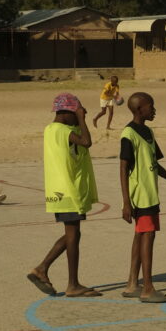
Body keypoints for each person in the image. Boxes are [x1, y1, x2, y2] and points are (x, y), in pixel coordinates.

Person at [120, 92, 166, 303]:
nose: (154, 110)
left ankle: (132, 284)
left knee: (140, 236)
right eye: (150, 106)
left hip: (150, 193)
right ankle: (148, 288)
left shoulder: (149, 132)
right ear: (139, 109)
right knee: (148, 236)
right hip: (141, 195)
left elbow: (154, 165)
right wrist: (126, 202)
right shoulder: (128, 134)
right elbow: (123, 168)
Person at [27, 93, 101, 298]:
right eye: (75, 114)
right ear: (66, 113)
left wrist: (78, 119)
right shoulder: (63, 131)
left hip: (58, 190)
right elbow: (86, 142)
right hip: (68, 191)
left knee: (73, 234)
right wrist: (82, 119)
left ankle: (42, 269)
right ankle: (71, 284)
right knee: (73, 234)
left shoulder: (51, 129)